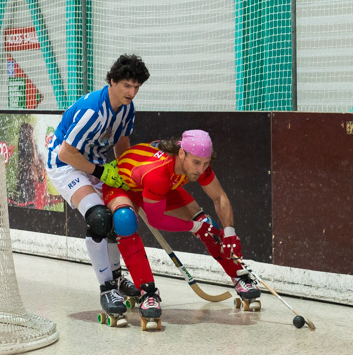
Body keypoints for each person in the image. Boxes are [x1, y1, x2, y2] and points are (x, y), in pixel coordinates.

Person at [101, 130, 261, 330]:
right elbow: (156, 220)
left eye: (206, 163)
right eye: (197, 163)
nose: (201, 169)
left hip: (157, 187)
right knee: (125, 220)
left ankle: (239, 275)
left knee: (207, 225)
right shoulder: (158, 171)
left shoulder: (198, 162)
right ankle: (148, 293)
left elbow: (219, 197)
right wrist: (193, 226)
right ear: (182, 153)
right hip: (123, 184)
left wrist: (229, 232)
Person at [44, 54, 150, 324]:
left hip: (94, 163)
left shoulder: (127, 108)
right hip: (65, 164)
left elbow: (122, 142)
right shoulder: (92, 111)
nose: (131, 92)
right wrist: (102, 172)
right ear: (112, 81)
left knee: (118, 217)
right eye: (126, 85)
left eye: (136, 87)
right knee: (99, 217)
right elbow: (67, 153)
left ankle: (117, 278)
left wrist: (125, 173)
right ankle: (107, 289)